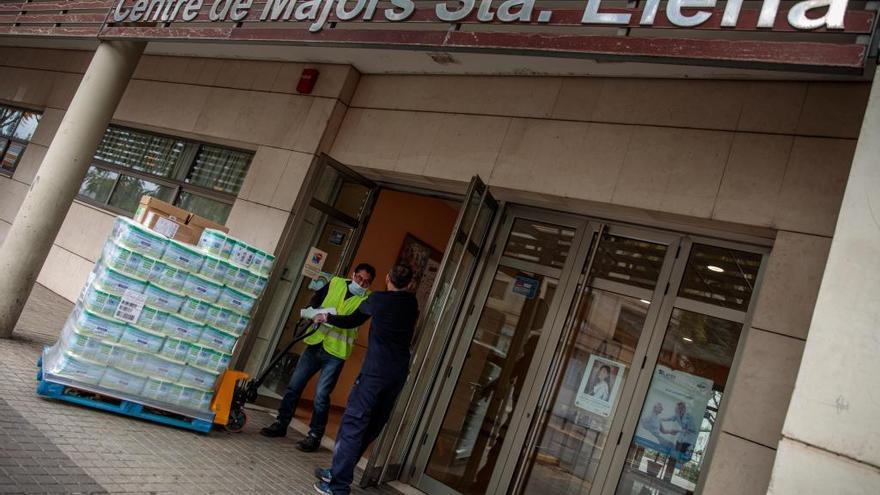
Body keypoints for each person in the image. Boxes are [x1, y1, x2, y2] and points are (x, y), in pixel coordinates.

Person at [311, 264, 419, 495]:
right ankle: (338, 470)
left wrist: (326, 316)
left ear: (388, 278)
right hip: (397, 374)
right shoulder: (412, 304)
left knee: (353, 424)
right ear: (410, 284)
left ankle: (338, 486)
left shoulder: (379, 300)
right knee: (371, 425)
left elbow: (352, 320)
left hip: (375, 373)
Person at [260, 263, 376, 453]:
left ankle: (314, 436)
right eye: (359, 278)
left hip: (336, 353)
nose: (361, 283)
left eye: (366, 282)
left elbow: (353, 321)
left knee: (321, 395)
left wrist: (327, 318)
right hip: (315, 343)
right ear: (353, 274)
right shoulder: (336, 282)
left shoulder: (367, 300)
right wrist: (310, 311)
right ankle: (281, 424)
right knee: (294, 386)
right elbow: (316, 299)